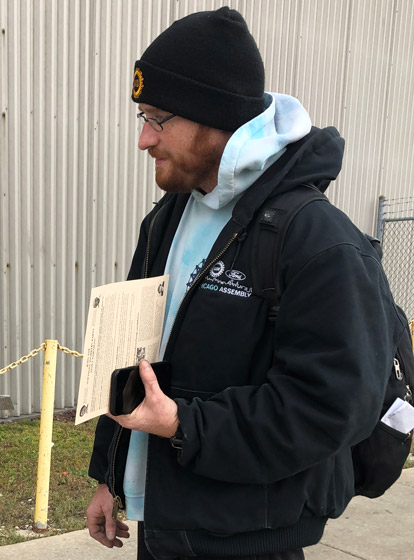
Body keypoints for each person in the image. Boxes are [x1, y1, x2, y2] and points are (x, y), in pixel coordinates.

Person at [86, 7, 402, 560]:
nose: (142, 139)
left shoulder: (318, 241)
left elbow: (330, 406)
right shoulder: (171, 216)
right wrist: (112, 476)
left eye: (158, 118)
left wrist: (186, 425)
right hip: (163, 526)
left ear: (216, 117)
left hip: (249, 538)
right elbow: (135, 358)